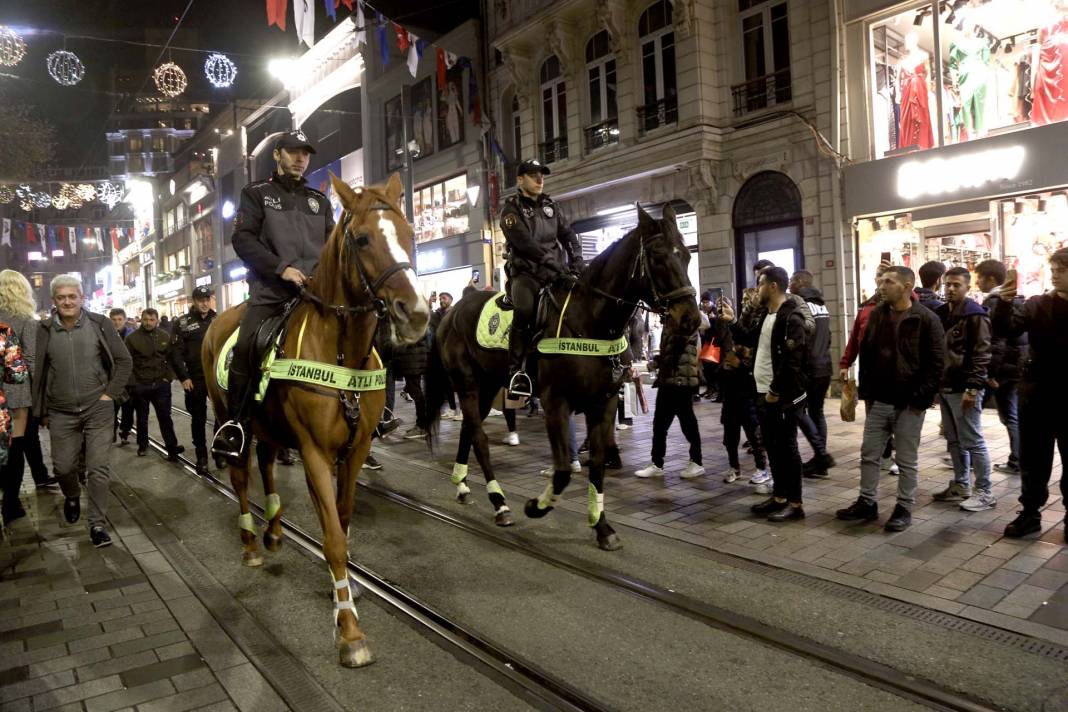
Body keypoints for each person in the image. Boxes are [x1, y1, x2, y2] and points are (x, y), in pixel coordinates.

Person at [213, 130, 334, 459]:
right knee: (247, 345)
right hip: (271, 291)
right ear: (278, 155)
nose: (300, 159)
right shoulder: (255, 193)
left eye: (305, 154)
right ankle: (236, 425)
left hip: (316, 293)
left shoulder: (320, 201)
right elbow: (243, 239)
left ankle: (370, 413)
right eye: (293, 152)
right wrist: (281, 268)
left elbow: (332, 246)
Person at [835, 266, 945, 532]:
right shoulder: (877, 316)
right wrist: (868, 392)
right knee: (869, 454)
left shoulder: (926, 318)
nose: (882, 286)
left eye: (889, 282)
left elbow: (937, 364)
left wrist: (920, 399)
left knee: (906, 459)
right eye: (881, 281)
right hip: (880, 399)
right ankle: (867, 501)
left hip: (909, 402)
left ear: (907, 286)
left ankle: (904, 506)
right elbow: (869, 354)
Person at [32, 276, 132, 548]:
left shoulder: (100, 324)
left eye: (72, 296)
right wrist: (40, 410)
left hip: (97, 409)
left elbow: (124, 360)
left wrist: (109, 394)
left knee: (98, 468)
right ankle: (72, 494)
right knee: (64, 467)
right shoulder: (43, 330)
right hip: (60, 412)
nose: (67, 301)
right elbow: (38, 372)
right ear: (54, 301)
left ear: (81, 298)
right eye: (61, 297)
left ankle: (97, 524)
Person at [994, 248, 1068, 542]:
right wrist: (1004, 302)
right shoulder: (1037, 304)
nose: (1055, 274)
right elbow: (1005, 328)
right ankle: (1030, 513)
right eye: (1054, 269)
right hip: (1038, 395)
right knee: (1034, 460)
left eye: (1061, 269)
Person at [723, 266, 809, 521]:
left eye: (760, 283)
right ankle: (779, 497)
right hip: (762, 393)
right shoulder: (767, 316)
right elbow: (750, 340)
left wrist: (774, 392)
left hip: (780, 397)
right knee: (772, 447)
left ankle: (795, 505)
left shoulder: (791, 318)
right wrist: (732, 322)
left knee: (787, 450)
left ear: (772, 286)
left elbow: (793, 362)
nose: (757, 288)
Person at [500, 158, 584, 399]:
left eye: (542, 175)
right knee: (525, 310)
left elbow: (568, 234)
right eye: (533, 175)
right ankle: (516, 372)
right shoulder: (511, 209)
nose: (539, 179)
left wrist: (577, 257)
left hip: (555, 273)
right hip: (526, 274)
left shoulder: (551, 206)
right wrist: (550, 261)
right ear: (520, 179)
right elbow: (524, 243)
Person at [931, 266, 994, 511]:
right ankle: (960, 484)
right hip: (946, 386)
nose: (951, 289)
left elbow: (982, 354)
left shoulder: (975, 315)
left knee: (972, 439)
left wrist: (973, 387)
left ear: (968, 287)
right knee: (953, 439)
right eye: (948, 284)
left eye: (957, 284)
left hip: (964, 387)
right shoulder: (940, 313)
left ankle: (985, 491)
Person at [634, 305, 705, 480]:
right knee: (660, 424)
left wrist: (657, 362)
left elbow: (675, 348)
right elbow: (668, 352)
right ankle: (657, 463)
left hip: (681, 381)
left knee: (687, 423)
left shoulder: (686, 323)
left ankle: (696, 462)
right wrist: (654, 363)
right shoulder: (671, 322)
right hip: (669, 380)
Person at [975, 259, 1026, 475]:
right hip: (1014, 366)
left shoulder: (995, 302)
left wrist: (990, 372)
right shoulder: (1017, 301)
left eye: (980, 278)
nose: (977, 282)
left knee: (977, 411)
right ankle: (1018, 459)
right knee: (1010, 413)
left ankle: (968, 456)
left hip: (1001, 368)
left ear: (992, 279)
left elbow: (995, 340)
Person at [714, 291, 769, 487]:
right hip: (731, 391)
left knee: (754, 434)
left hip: (749, 391)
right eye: (745, 300)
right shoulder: (733, 327)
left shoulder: (763, 322)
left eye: (751, 299)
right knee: (730, 435)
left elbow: (757, 360)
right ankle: (734, 467)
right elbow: (722, 353)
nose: (748, 302)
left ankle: (762, 469)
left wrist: (740, 365)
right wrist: (726, 367)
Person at [790, 270, 835, 478]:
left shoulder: (800, 305)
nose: (789, 284)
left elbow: (802, 338)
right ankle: (820, 461)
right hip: (824, 365)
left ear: (800, 282)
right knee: (817, 412)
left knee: (798, 409)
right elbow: (828, 336)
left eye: (791, 280)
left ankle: (821, 455)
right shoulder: (821, 304)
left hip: (808, 367)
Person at [125, 308, 184, 461]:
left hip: (160, 384)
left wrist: (168, 378)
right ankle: (142, 445)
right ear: (141, 320)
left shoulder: (165, 336)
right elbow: (126, 362)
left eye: (151, 320)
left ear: (157, 320)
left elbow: (171, 358)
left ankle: (172, 448)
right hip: (141, 384)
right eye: (145, 319)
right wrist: (133, 384)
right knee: (142, 418)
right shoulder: (132, 338)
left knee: (165, 417)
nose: (148, 323)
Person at [0, 270, 35, 522]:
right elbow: (30, 360)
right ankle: (11, 504)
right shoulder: (25, 320)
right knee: (15, 446)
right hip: (16, 392)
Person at [171, 286, 216, 472]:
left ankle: (218, 450)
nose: (204, 303)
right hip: (194, 378)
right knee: (198, 418)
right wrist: (184, 377)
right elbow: (175, 352)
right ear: (194, 301)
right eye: (200, 300)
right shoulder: (182, 323)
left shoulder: (218, 319)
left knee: (222, 417)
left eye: (207, 299)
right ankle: (201, 456)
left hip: (215, 377)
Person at [109, 308, 135, 445]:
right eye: (114, 320)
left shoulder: (132, 336)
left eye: (119, 319)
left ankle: (125, 432)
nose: (117, 322)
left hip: (128, 380)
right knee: (111, 410)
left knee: (128, 409)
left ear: (125, 320)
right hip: (112, 381)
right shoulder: (105, 335)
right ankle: (111, 432)